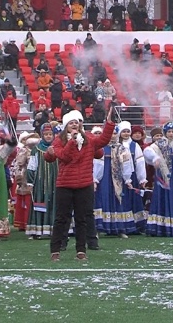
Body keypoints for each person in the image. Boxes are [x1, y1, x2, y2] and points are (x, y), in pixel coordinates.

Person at [49, 110, 115, 261]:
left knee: (82, 219)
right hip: (65, 184)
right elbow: (65, 156)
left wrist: (109, 122)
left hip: (84, 184)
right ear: (66, 126)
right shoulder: (59, 141)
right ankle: (55, 250)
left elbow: (104, 140)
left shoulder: (89, 139)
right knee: (61, 218)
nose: (74, 124)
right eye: (71, 122)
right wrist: (72, 141)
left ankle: (81, 250)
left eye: (76, 122)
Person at [96, 121, 147, 238]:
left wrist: (128, 179)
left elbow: (127, 165)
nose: (112, 135)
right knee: (103, 200)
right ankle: (99, 228)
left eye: (115, 133)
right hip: (104, 179)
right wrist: (95, 179)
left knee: (119, 201)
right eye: (110, 133)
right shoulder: (101, 148)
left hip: (118, 180)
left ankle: (120, 228)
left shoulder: (122, 149)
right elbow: (96, 164)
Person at [144, 122, 173, 237]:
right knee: (162, 198)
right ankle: (161, 227)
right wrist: (154, 158)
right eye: (168, 131)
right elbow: (147, 151)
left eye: (172, 131)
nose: (170, 134)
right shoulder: (159, 144)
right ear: (165, 132)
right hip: (163, 176)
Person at [13, 133, 40, 232]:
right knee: (27, 201)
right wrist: (19, 177)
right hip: (26, 178)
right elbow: (18, 164)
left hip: (38, 178)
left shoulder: (38, 150)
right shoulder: (24, 151)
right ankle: (24, 222)